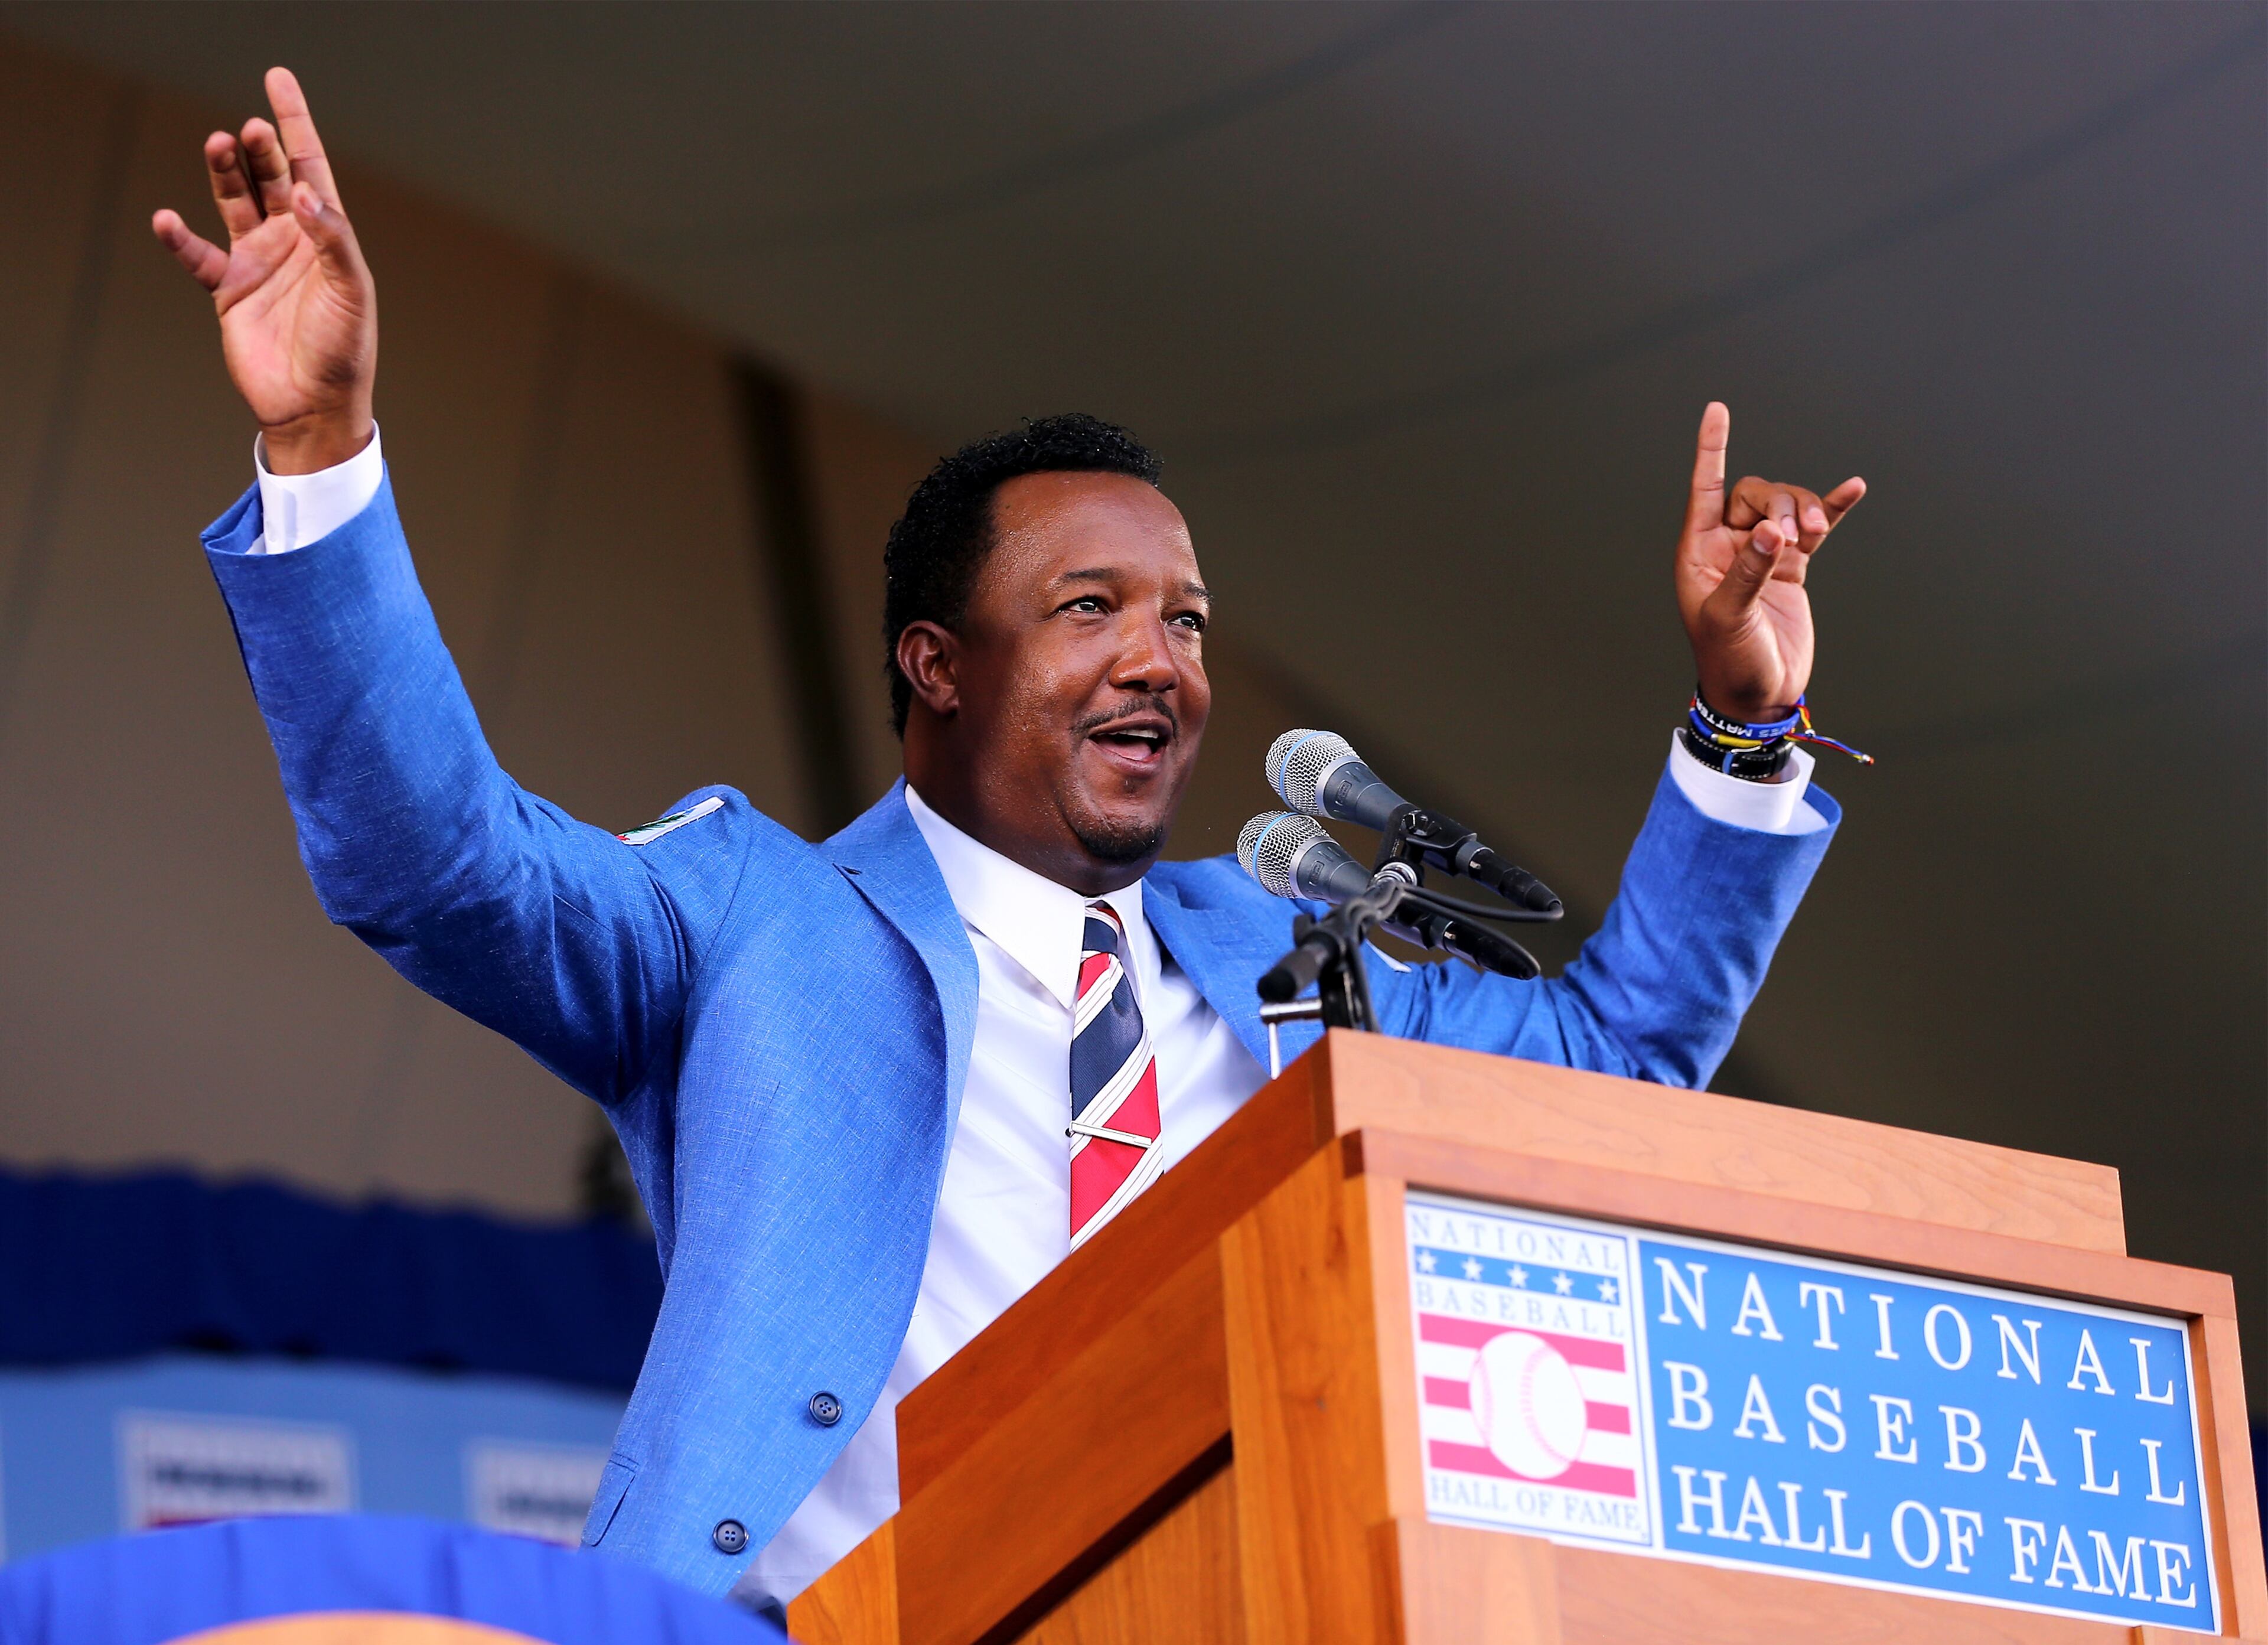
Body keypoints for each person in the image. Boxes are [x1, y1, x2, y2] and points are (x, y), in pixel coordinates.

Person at [154, 70, 1866, 1606]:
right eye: (1091, 609)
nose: (1161, 659)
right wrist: (322, 452)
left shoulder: (1301, 965)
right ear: (938, 667)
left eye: (1189, 622)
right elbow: (438, 864)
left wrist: (1744, 719)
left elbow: (1618, 1059)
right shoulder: (759, 917)